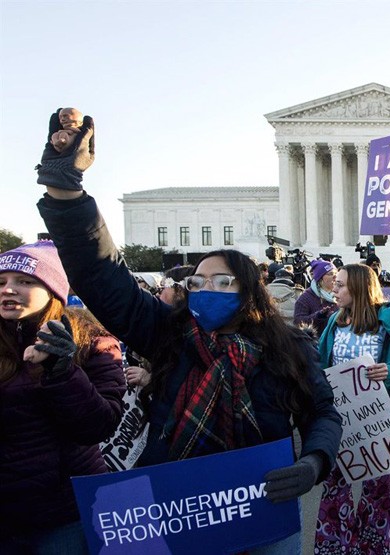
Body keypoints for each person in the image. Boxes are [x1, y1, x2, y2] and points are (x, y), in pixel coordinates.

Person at [34, 110, 342, 554]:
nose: (204, 290)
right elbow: (103, 277)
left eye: (220, 282)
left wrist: (314, 461)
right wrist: (66, 192)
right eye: (196, 283)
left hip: (261, 510)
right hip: (177, 511)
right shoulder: (168, 335)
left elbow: (322, 414)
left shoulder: (289, 348)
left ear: (249, 292)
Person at [0, 241, 125, 553]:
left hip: (64, 512)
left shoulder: (91, 340)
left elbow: (98, 426)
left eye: (24, 281)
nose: (9, 289)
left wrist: (62, 373)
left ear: (53, 289)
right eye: (1, 282)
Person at [315, 263, 390, 555]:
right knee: (334, 489)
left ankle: (372, 549)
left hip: (379, 424)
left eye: (340, 285)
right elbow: (322, 366)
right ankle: (335, 549)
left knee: (376, 495)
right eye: (334, 284)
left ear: (361, 288)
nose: (333, 290)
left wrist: (389, 371)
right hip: (339, 424)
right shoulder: (333, 322)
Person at [294, 258, 338, 334]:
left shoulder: (340, 294)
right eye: (330, 274)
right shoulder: (306, 298)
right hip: (316, 343)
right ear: (320, 279)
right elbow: (298, 322)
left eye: (335, 274)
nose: (335, 277)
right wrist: (318, 316)